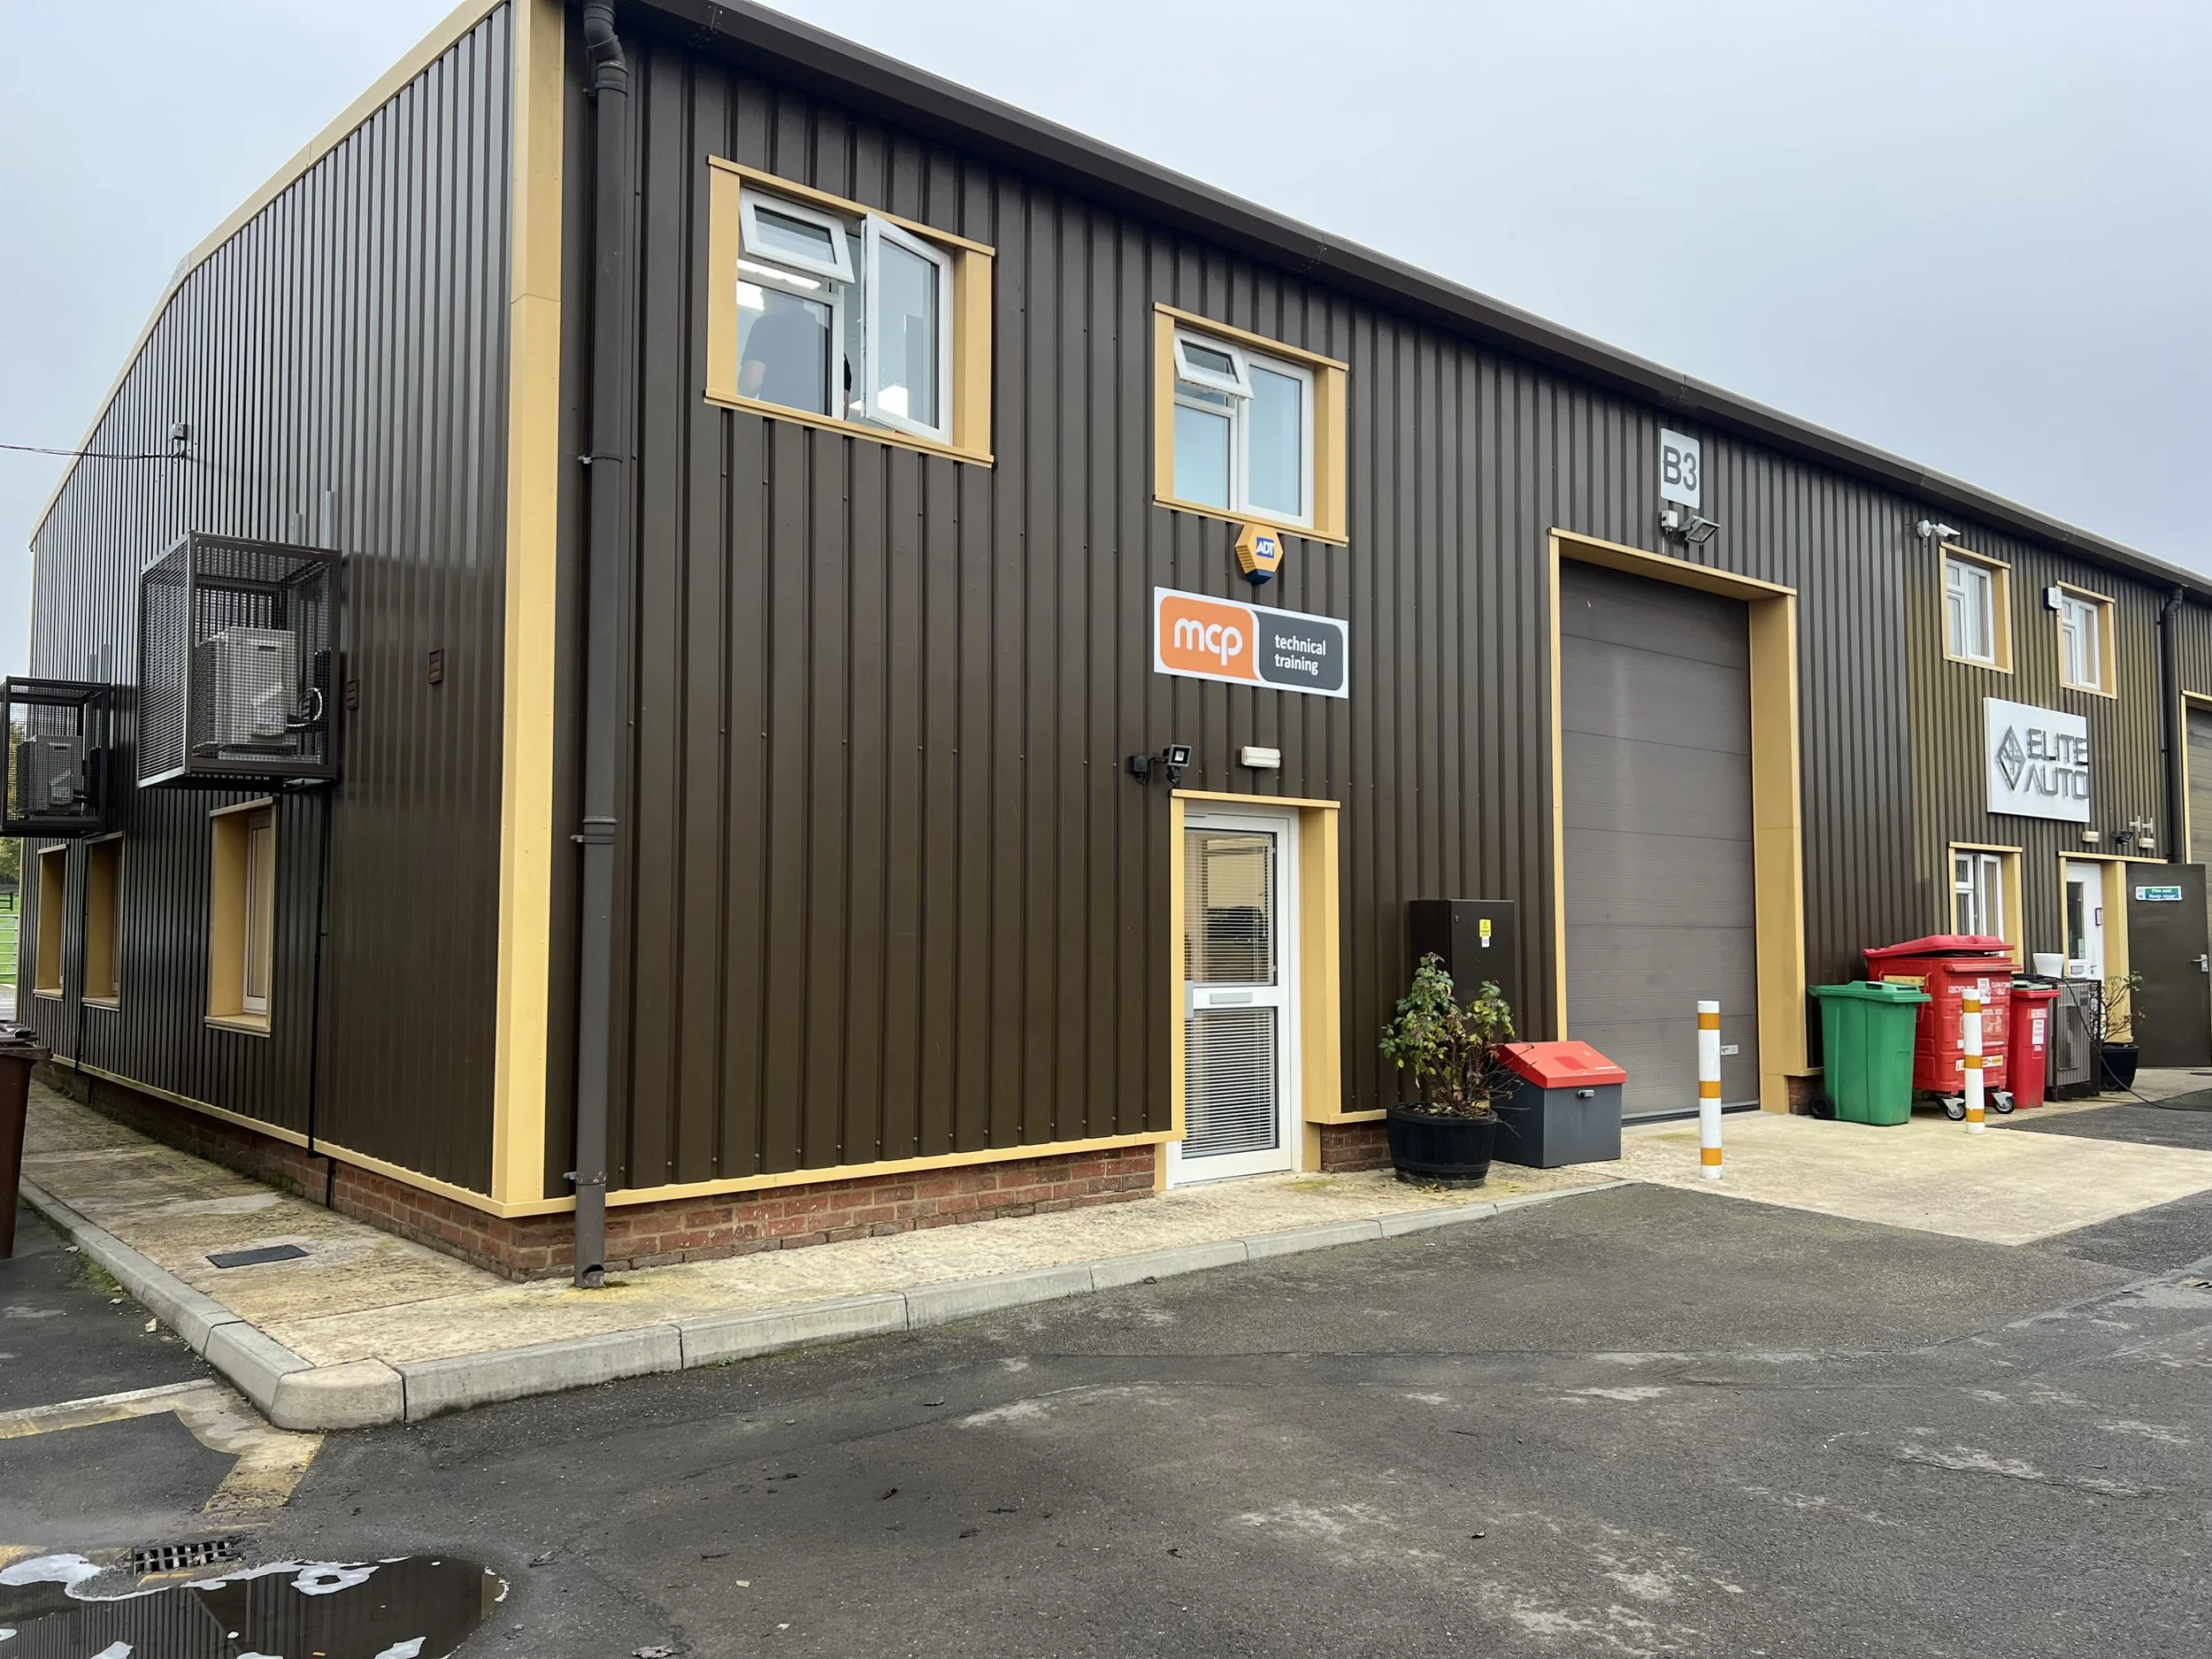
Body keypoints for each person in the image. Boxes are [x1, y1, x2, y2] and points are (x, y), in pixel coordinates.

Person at [739, 287, 831, 414]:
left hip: (777, 423)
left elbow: (750, 382)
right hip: (820, 430)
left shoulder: (767, 325)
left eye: (764, 300)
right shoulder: (831, 340)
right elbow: (842, 406)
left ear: (771, 301)